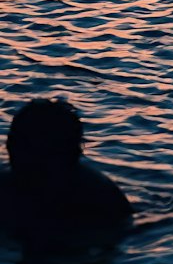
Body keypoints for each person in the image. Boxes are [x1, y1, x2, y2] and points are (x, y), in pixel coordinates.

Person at [0, 98, 132, 242]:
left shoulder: (99, 199)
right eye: (15, 141)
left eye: (28, 146)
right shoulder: (6, 185)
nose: (15, 151)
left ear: (66, 152)